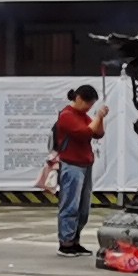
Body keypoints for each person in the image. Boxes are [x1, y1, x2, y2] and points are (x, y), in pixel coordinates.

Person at [50, 83, 102, 255]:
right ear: (79, 99)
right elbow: (85, 133)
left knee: (83, 208)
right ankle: (66, 242)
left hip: (85, 164)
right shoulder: (67, 115)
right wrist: (97, 117)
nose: (89, 108)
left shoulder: (82, 115)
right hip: (71, 165)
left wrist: (99, 118)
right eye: (88, 104)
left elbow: (98, 133)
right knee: (70, 205)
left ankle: (74, 239)